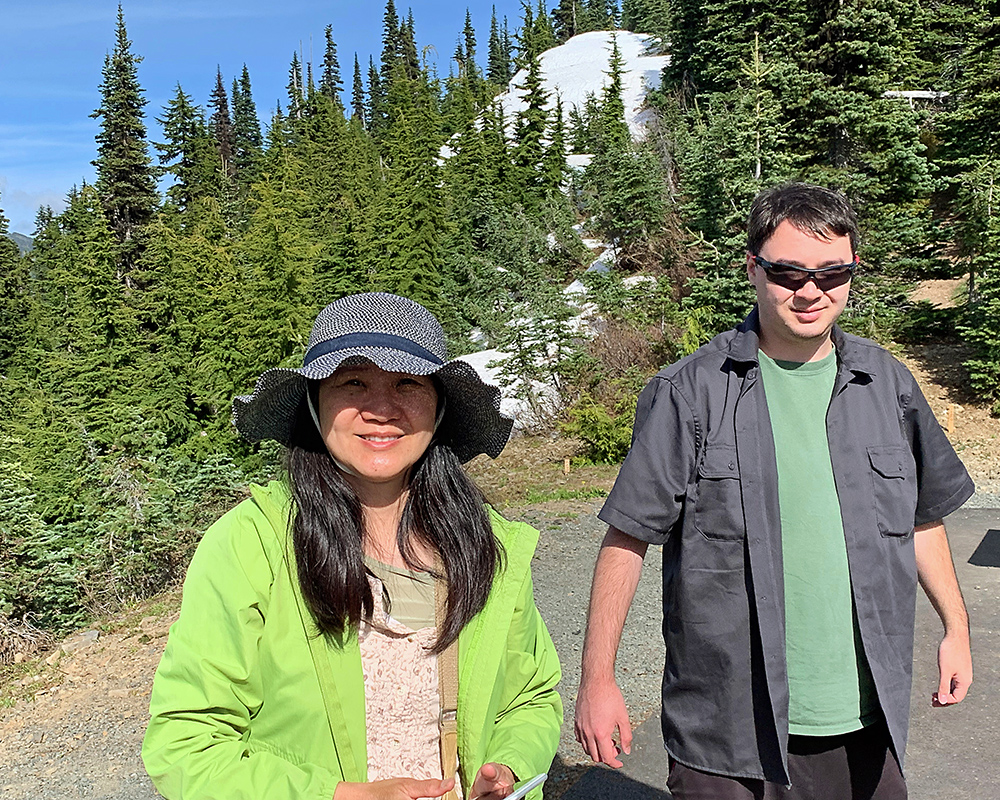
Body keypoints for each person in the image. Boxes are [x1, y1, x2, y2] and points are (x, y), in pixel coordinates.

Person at [574, 183, 974, 799]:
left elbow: (922, 518)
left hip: (865, 721)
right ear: (753, 269)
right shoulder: (690, 392)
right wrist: (598, 680)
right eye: (788, 271)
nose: (810, 291)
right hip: (727, 733)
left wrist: (956, 629)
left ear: (852, 271)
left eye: (832, 272)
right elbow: (628, 536)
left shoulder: (886, 383)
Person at [142, 292, 562, 800]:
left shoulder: (484, 543)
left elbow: (531, 697)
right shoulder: (252, 545)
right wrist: (337, 796)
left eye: (407, 382)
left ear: (440, 405)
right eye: (353, 382)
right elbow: (185, 745)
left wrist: (510, 765)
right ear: (316, 404)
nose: (381, 410)